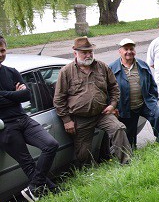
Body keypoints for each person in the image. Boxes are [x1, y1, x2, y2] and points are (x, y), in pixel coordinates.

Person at [53, 37, 132, 166]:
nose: (88, 55)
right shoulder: (66, 71)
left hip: (102, 114)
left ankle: (127, 163)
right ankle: (89, 173)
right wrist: (66, 120)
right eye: (84, 52)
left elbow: (114, 87)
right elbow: (59, 98)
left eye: (90, 52)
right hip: (80, 118)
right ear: (75, 53)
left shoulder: (102, 67)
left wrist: (112, 105)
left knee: (118, 129)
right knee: (83, 152)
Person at [0, 36, 59, 202]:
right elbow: (18, 96)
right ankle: (53, 191)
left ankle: (33, 188)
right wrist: (15, 94)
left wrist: (5, 95)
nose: (0, 54)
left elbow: (27, 95)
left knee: (51, 145)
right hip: (6, 127)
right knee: (27, 162)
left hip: (23, 119)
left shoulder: (11, 72)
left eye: (3, 50)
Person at [109, 38, 159, 149]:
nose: (129, 52)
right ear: (120, 51)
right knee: (130, 139)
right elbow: (108, 90)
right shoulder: (112, 68)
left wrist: (153, 101)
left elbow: (152, 86)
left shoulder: (142, 65)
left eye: (131, 49)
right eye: (126, 49)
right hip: (125, 108)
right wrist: (113, 107)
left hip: (144, 104)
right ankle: (131, 153)